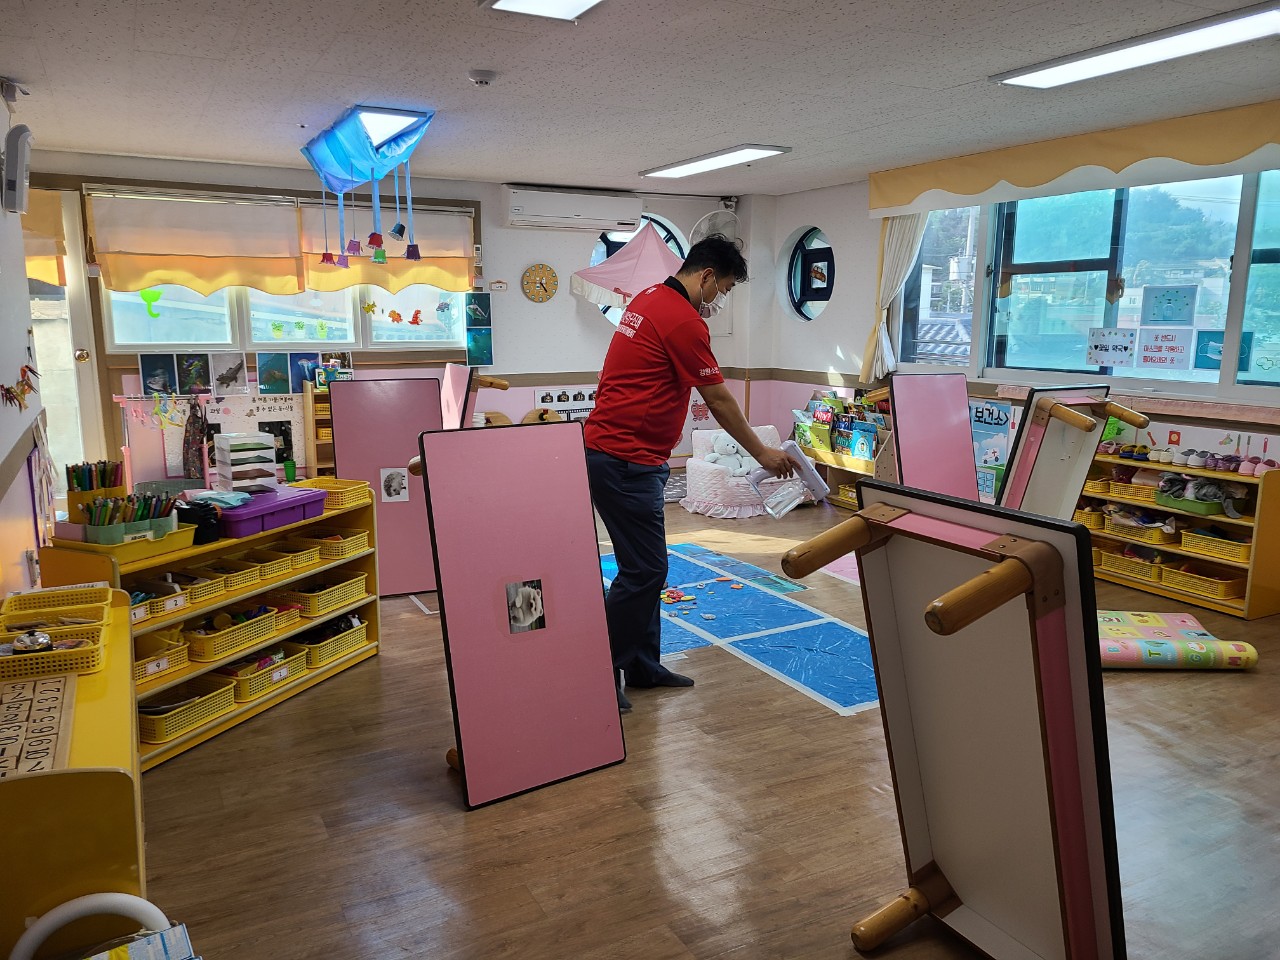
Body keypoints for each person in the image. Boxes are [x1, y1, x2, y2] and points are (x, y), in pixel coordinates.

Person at [584, 234, 793, 713]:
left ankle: (642, 665)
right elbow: (717, 398)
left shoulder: (648, 299)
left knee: (646, 567)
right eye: (724, 289)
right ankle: (600, 672)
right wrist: (762, 453)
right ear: (706, 276)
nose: (720, 300)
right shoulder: (681, 318)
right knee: (645, 570)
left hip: (624, 455)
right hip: (625, 458)